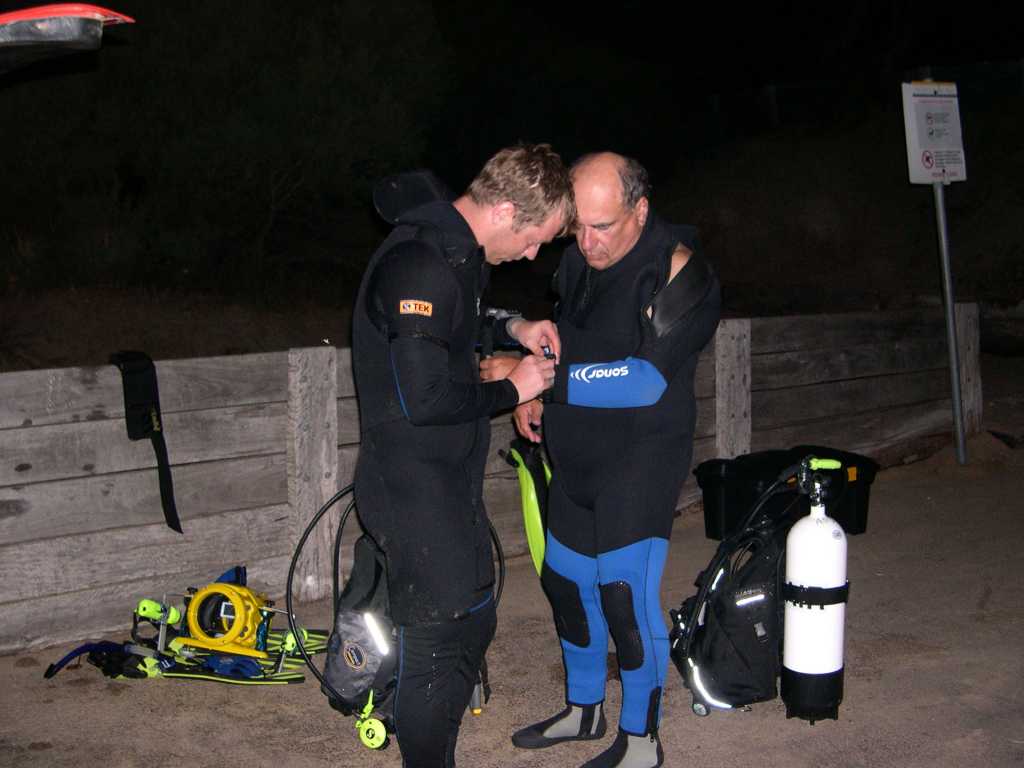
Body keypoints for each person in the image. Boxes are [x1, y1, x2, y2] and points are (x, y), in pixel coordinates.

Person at [482, 152, 721, 768]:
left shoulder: (681, 271)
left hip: (640, 459)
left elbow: (642, 379)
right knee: (565, 584)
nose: (586, 242)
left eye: (602, 226)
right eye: (577, 228)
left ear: (640, 210)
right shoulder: (577, 264)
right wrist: (533, 399)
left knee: (622, 595)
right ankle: (584, 710)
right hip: (575, 454)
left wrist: (538, 380)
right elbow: (571, 345)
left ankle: (641, 740)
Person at [350, 143, 574, 768]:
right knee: (438, 644)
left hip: (446, 480)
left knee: (475, 617)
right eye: (533, 239)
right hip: (408, 485)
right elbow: (422, 397)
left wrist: (515, 329)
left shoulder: (457, 257)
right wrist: (514, 390)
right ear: (504, 211)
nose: (531, 255)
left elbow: (459, 326)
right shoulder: (419, 263)